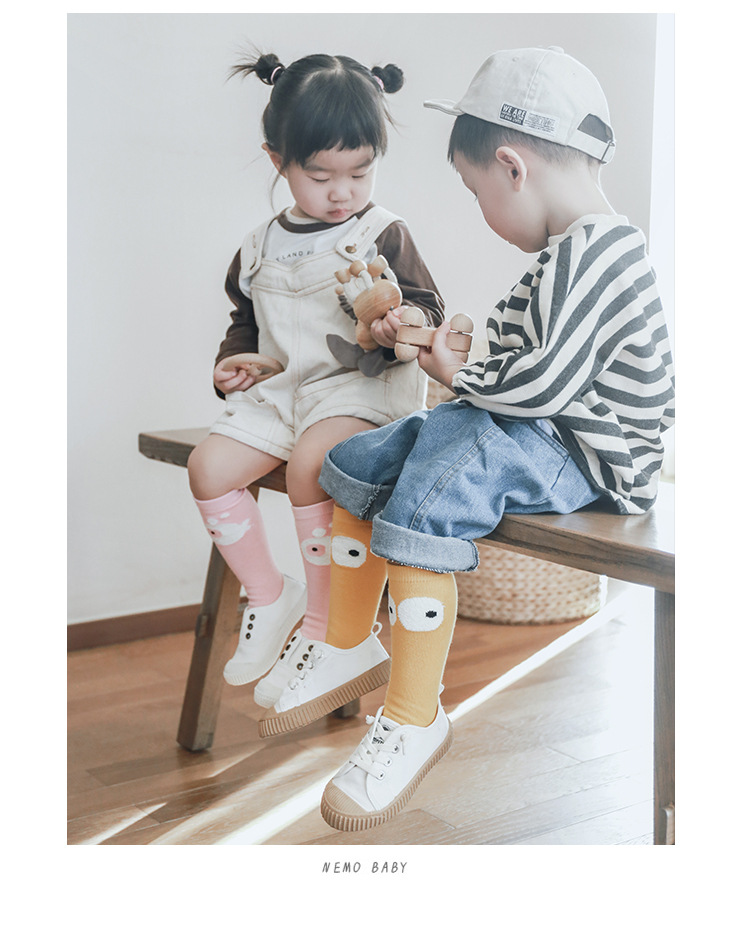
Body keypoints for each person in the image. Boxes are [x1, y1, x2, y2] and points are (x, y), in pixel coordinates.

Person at [257, 46, 676, 832]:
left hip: (594, 453)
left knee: (440, 475)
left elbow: (545, 385)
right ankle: (348, 640)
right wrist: (458, 358)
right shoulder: (565, 253)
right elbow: (518, 364)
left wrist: (463, 375)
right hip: (542, 428)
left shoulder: (603, 252)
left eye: (477, 193)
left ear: (512, 168)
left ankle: (415, 714)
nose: (483, 212)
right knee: (361, 459)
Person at [187, 51, 444, 709]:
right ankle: (271, 597)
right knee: (208, 468)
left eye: (361, 171)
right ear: (278, 160)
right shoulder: (257, 246)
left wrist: (405, 320)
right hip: (283, 395)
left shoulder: (382, 231)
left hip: (359, 390)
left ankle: (326, 629)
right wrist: (233, 363)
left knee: (312, 465)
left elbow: (429, 307)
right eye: (321, 175)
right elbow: (246, 322)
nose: (342, 192)